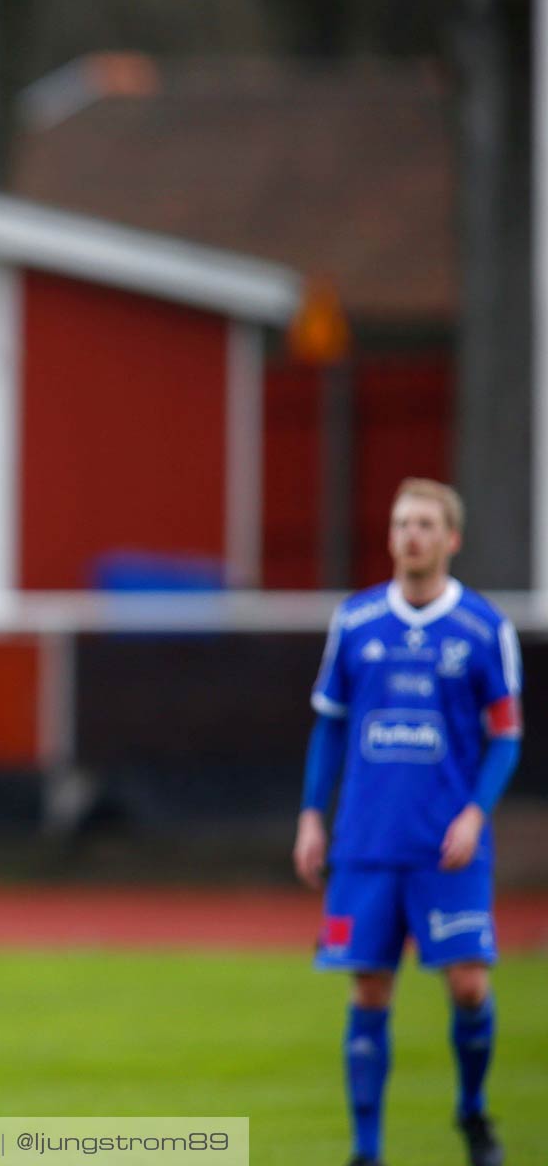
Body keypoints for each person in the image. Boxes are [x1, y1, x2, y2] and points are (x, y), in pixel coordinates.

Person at [294, 478, 521, 1166]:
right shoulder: (356, 623)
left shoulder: (484, 629)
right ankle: (367, 1152)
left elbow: (505, 736)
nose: (410, 536)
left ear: (450, 538)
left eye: (424, 524)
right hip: (366, 840)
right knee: (368, 985)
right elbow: (329, 727)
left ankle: (473, 1112)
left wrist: (477, 813)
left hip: (445, 846)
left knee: (468, 982)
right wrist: (311, 815)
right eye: (400, 524)